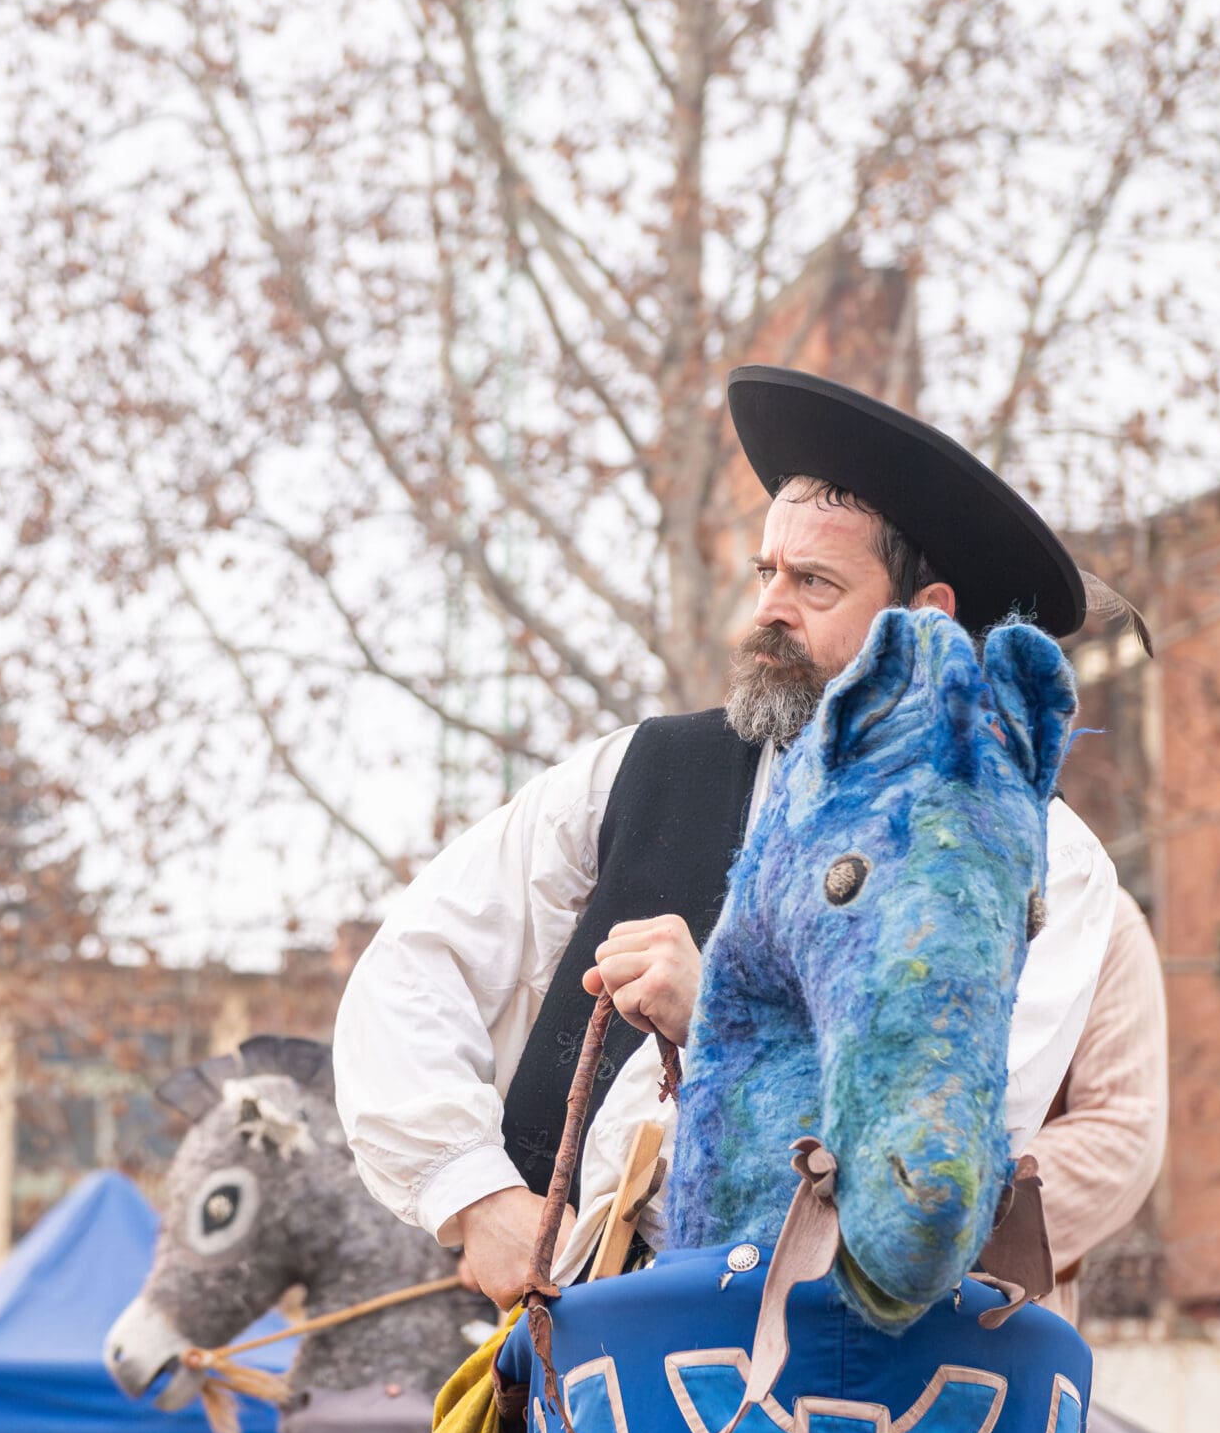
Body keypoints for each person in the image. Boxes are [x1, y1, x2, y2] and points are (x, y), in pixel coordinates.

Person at [334, 366, 1127, 1309]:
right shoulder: (641, 768)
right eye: (767, 573)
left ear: (923, 621)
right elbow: (415, 964)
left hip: (843, 1360)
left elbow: (929, 1157)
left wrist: (713, 1014)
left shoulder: (1042, 855)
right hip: (584, 1344)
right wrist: (473, 1192)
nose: (769, 610)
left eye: (814, 583)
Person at [1033, 887, 1170, 1324]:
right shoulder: (855, 882)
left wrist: (950, 1208)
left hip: (994, 1322)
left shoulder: (1095, 913)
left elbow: (1121, 1131)